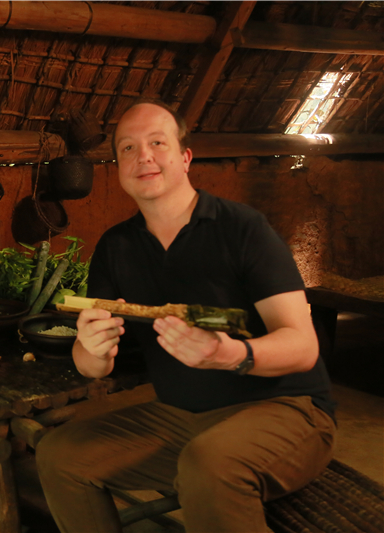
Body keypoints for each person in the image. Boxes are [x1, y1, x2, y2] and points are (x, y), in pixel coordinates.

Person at [35, 100, 336, 532]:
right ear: (118, 166)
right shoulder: (116, 247)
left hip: (286, 409)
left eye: (157, 143)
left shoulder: (242, 228)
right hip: (185, 417)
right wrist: (94, 350)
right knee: (59, 452)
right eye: (128, 149)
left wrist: (232, 354)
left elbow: (303, 346)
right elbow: (89, 363)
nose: (145, 157)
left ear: (184, 157)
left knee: (209, 465)